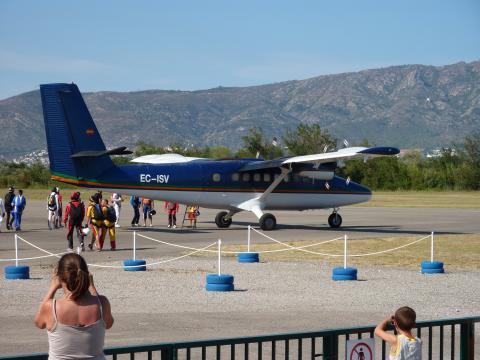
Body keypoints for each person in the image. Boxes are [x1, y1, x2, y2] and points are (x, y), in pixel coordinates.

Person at [34, 253, 114, 359]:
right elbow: (108, 324)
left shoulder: (51, 307)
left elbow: (39, 323)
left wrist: (53, 287)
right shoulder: (102, 303)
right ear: (86, 276)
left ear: (61, 277)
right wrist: (92, 287)